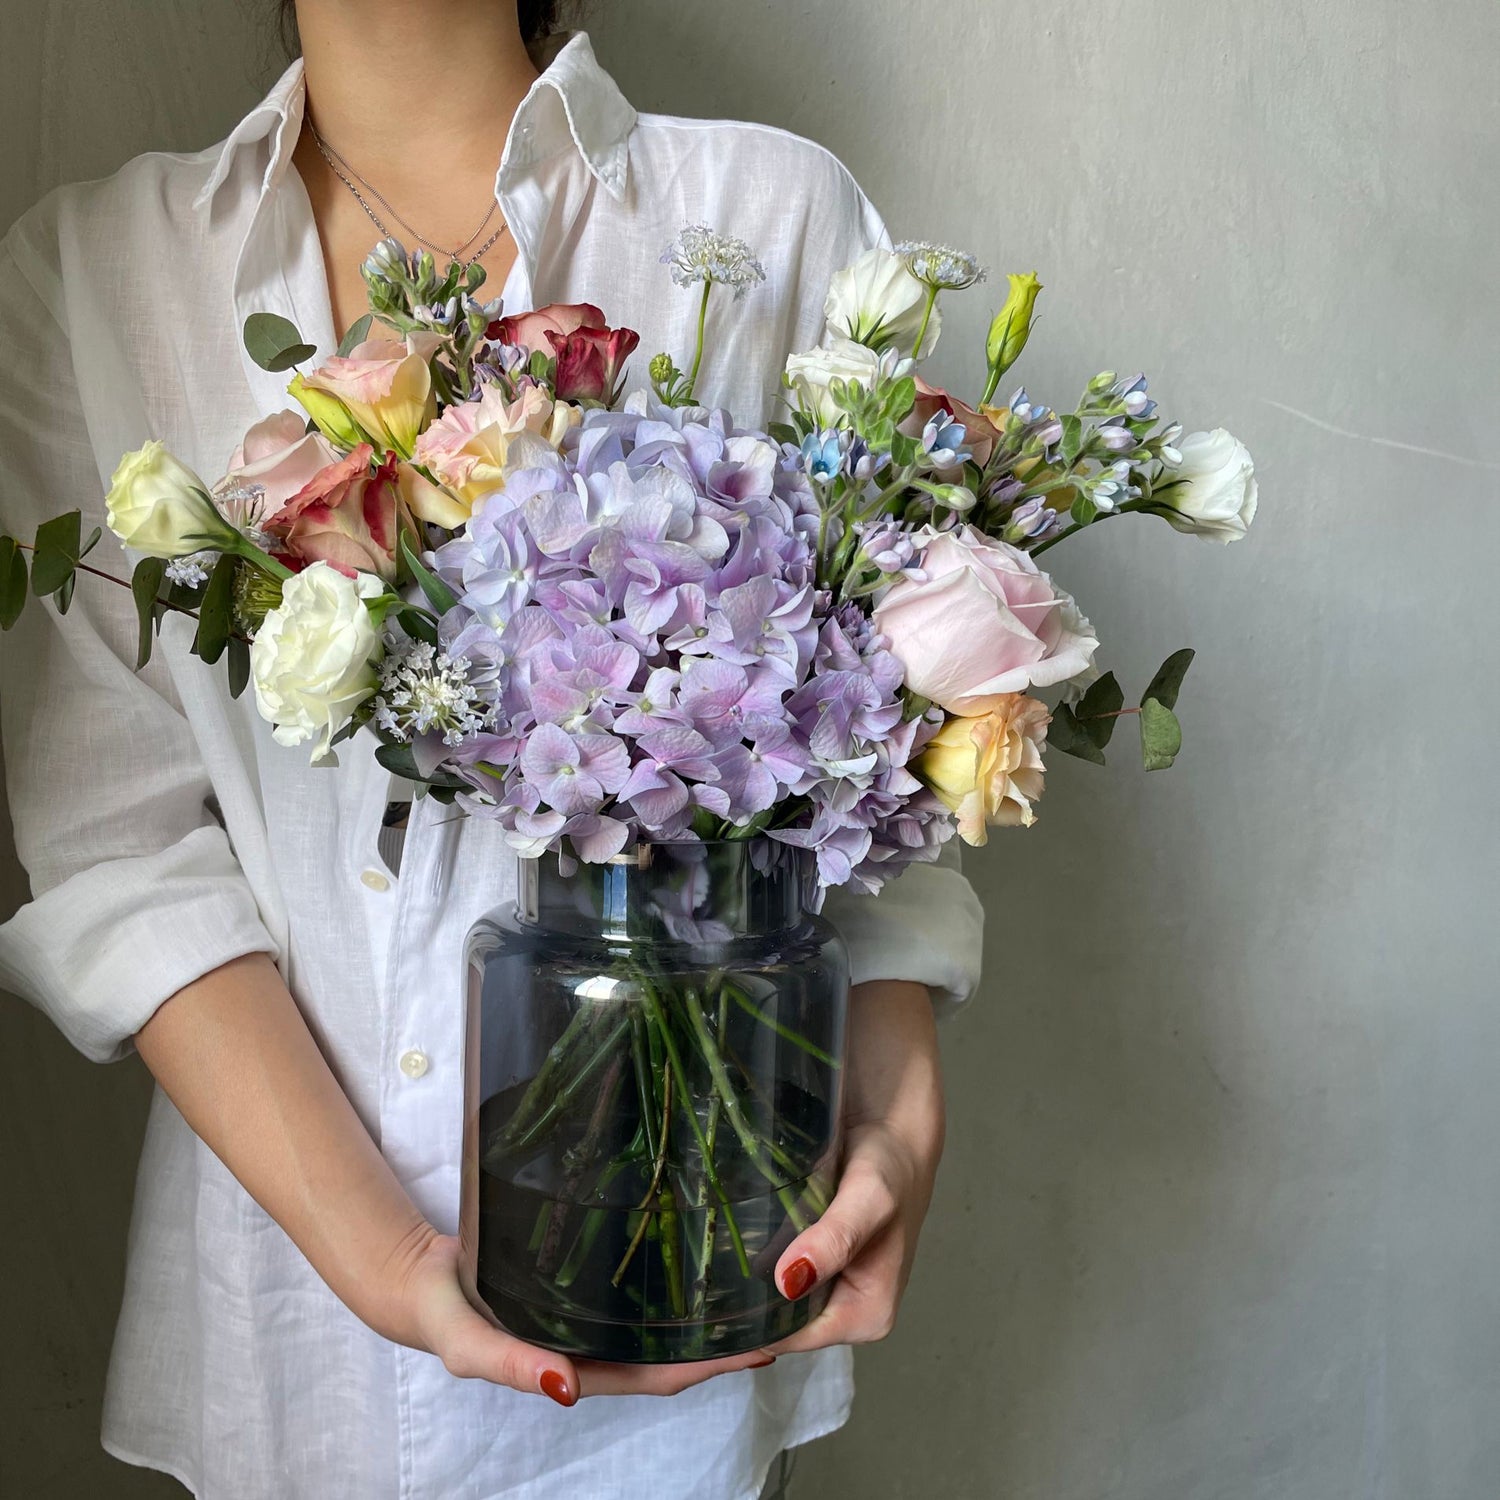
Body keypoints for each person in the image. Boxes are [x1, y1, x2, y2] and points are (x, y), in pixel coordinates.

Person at [0, 4, 985, 1497]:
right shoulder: (95, 268)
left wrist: (897, 1131)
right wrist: (385, 1255)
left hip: (694, 1272)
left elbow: (885, 756)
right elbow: (115, 839)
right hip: (293, 1325)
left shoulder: (766, 215)